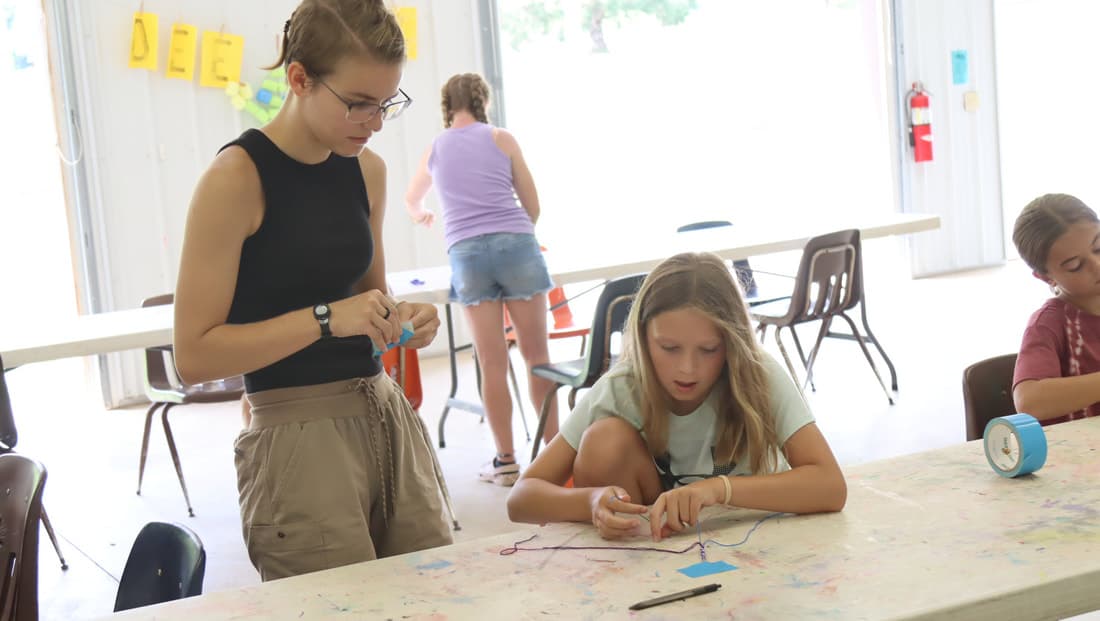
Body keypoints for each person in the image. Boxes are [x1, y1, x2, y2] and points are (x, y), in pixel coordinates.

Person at [173, 0, 453, 581]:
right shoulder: (237, 180)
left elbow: (372, 301)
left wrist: (403, 319)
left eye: (387, 104)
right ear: (299, 79)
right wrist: (327, 319)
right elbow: (195, 356)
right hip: (295, 436)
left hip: (385, 415)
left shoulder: (366, 171)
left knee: (435, 593)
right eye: (358, 104)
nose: (374, 122)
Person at [506, 252, 846, 541]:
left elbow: (830, 486)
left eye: (709, 350)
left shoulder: (757, 374)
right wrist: (591, 501)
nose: (687, 369)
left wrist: (718, 489)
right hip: (657, 546)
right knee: (604, 440)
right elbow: (521, 499)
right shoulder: (623, 386)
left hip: (750, 537)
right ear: (642, 336)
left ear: (733, 342)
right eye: (669, 348)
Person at [404, 72, 556, 486]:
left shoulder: (435, 148)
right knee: (538, 359)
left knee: (491, 362)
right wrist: (515, 234)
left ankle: (506, 463)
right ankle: (558, 461)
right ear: (482, 101)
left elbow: (412, 198)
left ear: (446, 106)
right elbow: (533, 205)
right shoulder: (501, 138)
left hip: (467, 254)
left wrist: (422, 215)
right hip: (516, 246)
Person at [1012, 193, 1100, 423]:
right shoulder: (1048, 324)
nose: (1097, 265)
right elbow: (1029, 401)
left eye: (1098, 248)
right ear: (1045, 277)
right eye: (1075, 265)